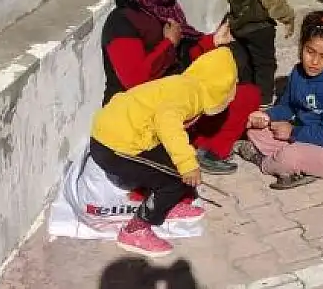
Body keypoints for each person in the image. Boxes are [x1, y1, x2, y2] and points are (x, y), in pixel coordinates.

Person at [102, 0, 262, 175]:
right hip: (147, 114)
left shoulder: (166, 12)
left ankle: (207, 149)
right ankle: (183, 147)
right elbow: (135, 80)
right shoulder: (121, 22)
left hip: (179, 101)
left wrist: (213, 42)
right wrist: (168, 44)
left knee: (246, 94)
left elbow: (186, 61)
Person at [89, 47, 238, 258]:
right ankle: (135, 230)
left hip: (116, 133)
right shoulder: (192, 96)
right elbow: (167, 123)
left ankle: (165, 204)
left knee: (171, 166)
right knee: (176, 177)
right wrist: (187, 164)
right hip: (114, 145)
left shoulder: (186, 84)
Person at [234, 11, 323, 190]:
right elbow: (288, 106)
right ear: (301, 46)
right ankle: (300, 167)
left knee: (289, 156)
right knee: (256, 132)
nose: (314, 61)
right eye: (310, 52)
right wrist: (266, 116)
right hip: (304, 138)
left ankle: (263, 161)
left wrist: (292, 132)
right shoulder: (297, 73)